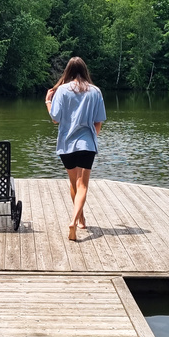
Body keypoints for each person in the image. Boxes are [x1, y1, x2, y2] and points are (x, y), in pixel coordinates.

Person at [45, 57, 106, 241]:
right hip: (87, 145)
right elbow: (98, 122)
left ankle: (81, 219)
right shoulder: (95, 91)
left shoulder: (61, 91)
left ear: (68, 71)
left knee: (73, 183)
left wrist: (48, 101)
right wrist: (92, 139)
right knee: (83, 185)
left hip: (66, 144)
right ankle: (75, 220)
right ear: (85, 70)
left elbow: (55, 118)